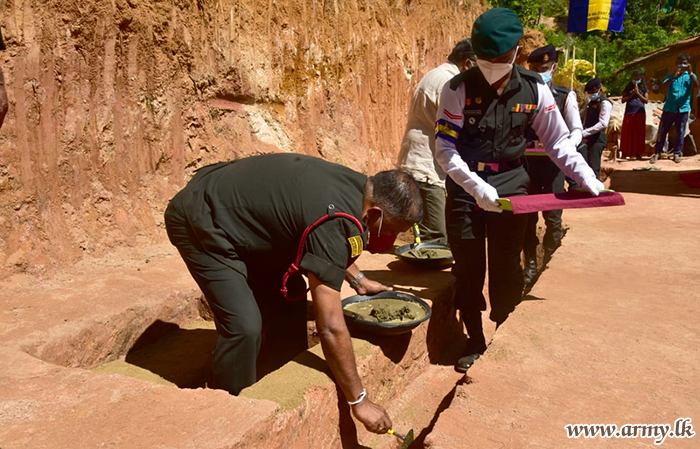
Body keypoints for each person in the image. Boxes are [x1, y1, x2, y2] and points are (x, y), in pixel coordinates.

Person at [164, 153, 423, 434]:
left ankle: (273, 377)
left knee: (292, 295)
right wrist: (359, 401)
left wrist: (357, 278)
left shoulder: (362, 190)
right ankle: (230, 411)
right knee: (244, 327)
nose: (393, 240)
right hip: (202, 220)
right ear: (375, 214)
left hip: (241, 215)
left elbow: (329, 238)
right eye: (393, 231)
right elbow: (330, 327)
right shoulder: (337, 215)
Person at [434, 8, 604, 373]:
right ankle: (474, 338)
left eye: (501, 57)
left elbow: (559, 143)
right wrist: (476, 187)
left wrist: (586, 178)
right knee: (467, 266)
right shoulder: (458, 90)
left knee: (507, 266)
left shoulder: (535, 89)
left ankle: (503, 333)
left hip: (513, 187)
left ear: (515, 53)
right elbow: (445, 150)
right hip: (466, 187)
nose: (494, 63)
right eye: (486, 57)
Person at [396, 39, 477, 243]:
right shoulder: (448, 82)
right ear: (468, 63)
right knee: (435, 235)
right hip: (426, 166)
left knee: (435, 228)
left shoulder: (441, 75)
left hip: (424, 160)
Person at [522, 44, 584, 286]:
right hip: (527, 168)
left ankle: (549, 260)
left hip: (553, 167)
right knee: (528, 220)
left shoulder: (565, 96)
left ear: (554, 67)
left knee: (553, 218)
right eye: (534, 68)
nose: (539, 73)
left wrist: (566, 144)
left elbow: (576, 128)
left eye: (544, 68)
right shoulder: (523, 94)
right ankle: (530, 267)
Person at [650, 53, 699, 164]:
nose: (682, 65)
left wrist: (690, 72)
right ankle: (658, 152)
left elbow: (696, 85)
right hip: (669, 109)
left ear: (688, 64)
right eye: (680, 63)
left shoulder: (691, 76)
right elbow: (663, 88)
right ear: (676, 64)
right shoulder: (671, 76)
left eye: (685, 64)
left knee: (680, 132)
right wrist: (673, 77)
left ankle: (677, 153)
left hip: (683, 109)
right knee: (662, 132)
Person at [582, 77, 612, 179]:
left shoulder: (605, 103)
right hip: (589, 138)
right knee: (586, 167)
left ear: (599, 89)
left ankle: (596, 191)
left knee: (594, 168)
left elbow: (603, 124)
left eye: (592, 91)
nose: (590, 94)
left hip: (597, 140)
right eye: (589, 92)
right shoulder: (591, 103)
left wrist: (585, 132)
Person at [619, 70, 649, 160]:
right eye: (634, 78)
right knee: (627, 133)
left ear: (641, 78)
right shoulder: (628, 87)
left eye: (637, 78)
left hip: (639, 113)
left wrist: (638, 93)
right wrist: (632, 93)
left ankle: (638, 153)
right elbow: (623, 100)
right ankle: (625, 152)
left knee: (638, 133)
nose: (636, 80)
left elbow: (646, 100)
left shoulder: (644, 88)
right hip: (629, 112)